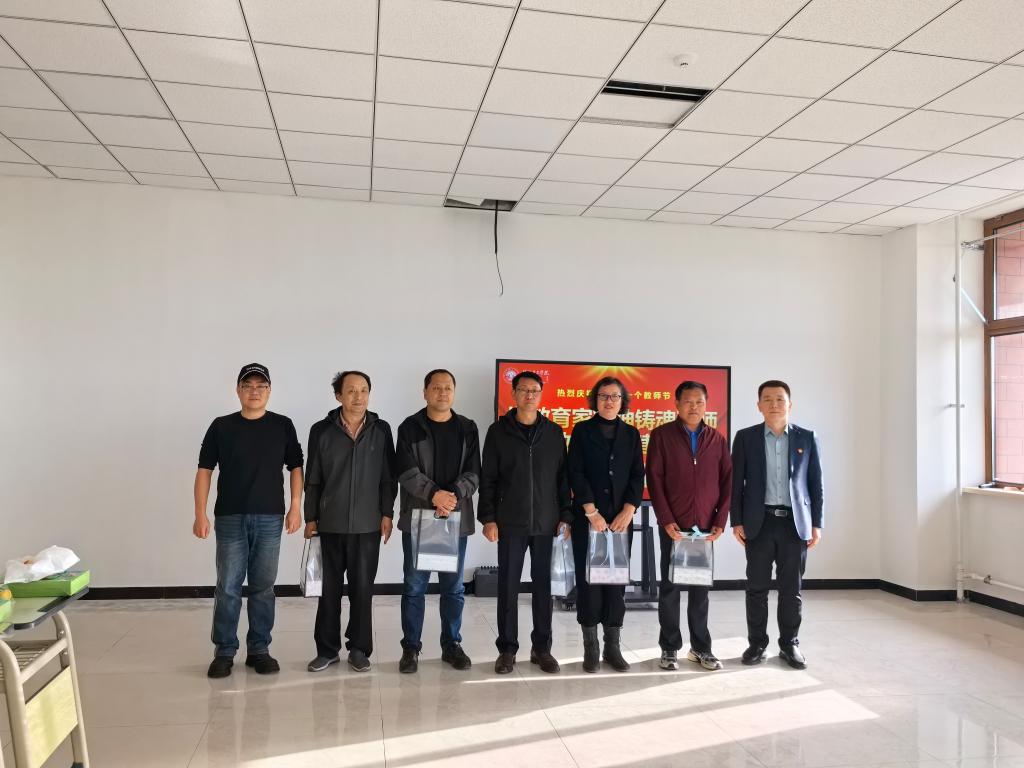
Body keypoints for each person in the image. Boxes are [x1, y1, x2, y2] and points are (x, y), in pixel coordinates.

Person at [194, 363, 304, 679]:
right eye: (248, 385)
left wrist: (296, 507)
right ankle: (224, 652)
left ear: (269, 390)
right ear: (238, 390)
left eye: (261, 386)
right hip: (230, 516)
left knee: (263, 587)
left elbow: (296, 467)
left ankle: (259, 650)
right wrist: (200, 513)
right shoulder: (221, 426)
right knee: (228, 587)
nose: (254, 391)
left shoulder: (282, 425)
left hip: (270, 517)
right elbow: (204, 471)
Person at [479, 370, 572, 675]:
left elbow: (562, 480)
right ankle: (507, 649)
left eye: (534, 390)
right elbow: (488, 478)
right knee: (508, 586)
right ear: (514, 394)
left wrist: (565, 516)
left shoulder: (553, 433)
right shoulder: (498, 432)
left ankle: (542, 648)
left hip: (547, 523)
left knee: (543, 587)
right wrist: (489, 518)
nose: (529, 395)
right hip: (510, 522)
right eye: (523, 390)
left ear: (541, 395)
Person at [304, 370, 397, 674]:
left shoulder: (381, 430)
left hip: (368, 525)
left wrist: (387, 514)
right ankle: (327, 650)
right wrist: (310, 517)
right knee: (328, 590)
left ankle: (359, 649)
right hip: (330, 524)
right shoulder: (321, 431)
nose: (359, 397)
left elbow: (388, 477)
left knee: (362, 590)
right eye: (352, 391)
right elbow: (313, 478)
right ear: (338, 396)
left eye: (364, 390)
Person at [731, 380, 823, 670]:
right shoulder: (745, 438)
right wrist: (737, 521)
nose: (774, 404)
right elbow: (736, 483)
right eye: (767, 399)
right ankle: (757, 643)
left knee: (791, 589)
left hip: (795, 524)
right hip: (759, 522)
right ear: (759, 405)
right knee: (756, 587)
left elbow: (815, 484)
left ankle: (789, 644)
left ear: (789, 404)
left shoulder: (807, 438)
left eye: (780, 399)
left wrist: (816, 523)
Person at [395, 369, 481, 673]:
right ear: (425, 392)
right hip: (419, 519)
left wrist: (451, 496)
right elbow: (405, 471)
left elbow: (474, 472)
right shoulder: (410, 427)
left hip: (455, 519)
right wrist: (434, 495)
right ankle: (411, 648)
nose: (442, 393)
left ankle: (451, 645)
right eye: (436, 387)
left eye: (448, 388)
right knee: (414, 587)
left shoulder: (468, 428)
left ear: (454, 392)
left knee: (453, 588)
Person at [646, 380, 732, 672]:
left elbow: (727, 482)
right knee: (670, 587)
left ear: (706, 405)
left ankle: (701, 648)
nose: (694, 407)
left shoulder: (717, 439)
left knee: (700, 590)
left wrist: (719, 521)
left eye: (699, 402)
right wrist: (665, 519)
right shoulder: (661, 436)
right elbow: (654, 479)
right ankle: (669, 647)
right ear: (677, 404)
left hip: (704, 527)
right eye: (688, 401)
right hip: (674, 527)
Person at [567, 376, 644, 673]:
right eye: (603, 396)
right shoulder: (582, 431)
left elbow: (637, 475)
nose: (609, 401)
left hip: (621, 521)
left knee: (615, 584)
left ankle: (613, 647)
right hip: (589, 519)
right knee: (589, 583)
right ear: (595, 400)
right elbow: (575, 472)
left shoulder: (631, 434)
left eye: (614, 396)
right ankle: (591, 648)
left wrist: (629, 510)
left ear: (622, 401)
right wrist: (591, 511)